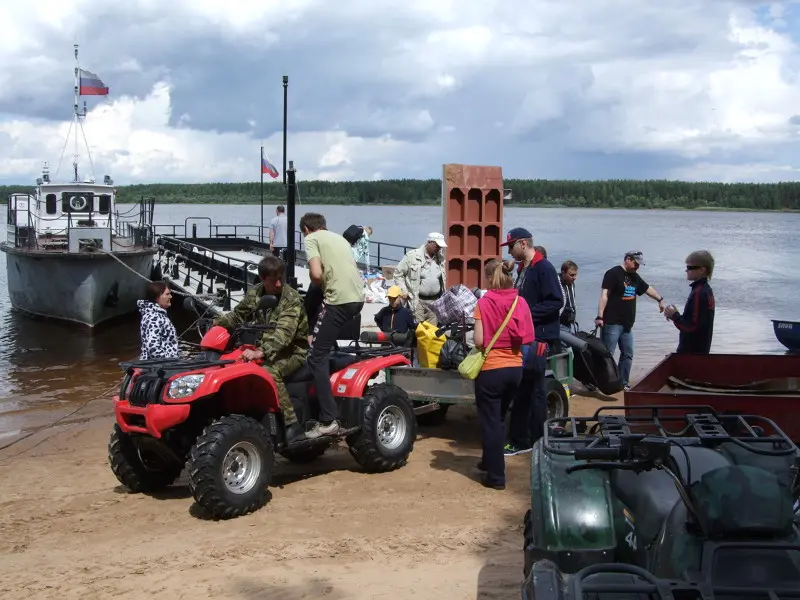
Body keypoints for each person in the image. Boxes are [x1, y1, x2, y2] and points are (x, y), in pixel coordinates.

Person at [213, 255, 308, 443]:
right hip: (267, 348)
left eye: (282, 278)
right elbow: (238, 316)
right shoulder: (256, 293)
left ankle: (292, 425)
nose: (279, 284)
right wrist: (217, 324)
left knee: (269, 371)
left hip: (293, 351)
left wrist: (261, 351)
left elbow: (284, 334)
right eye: (274, 280)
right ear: (263, 279)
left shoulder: (291, 299)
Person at [300, 212, 365, 439]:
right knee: (324, 342)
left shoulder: (311, 239)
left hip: (339, 301)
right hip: (358, 300)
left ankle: (328, 419)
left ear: (307, 229)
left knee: (316, 357)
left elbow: (317, 275)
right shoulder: (338, 238)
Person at [473, 259, 535, 490]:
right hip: (515, 368)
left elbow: (479, 341)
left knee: (491, 422)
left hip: (491, 369)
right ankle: (488, 461)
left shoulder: (484, 302)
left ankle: (496, 476)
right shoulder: (520, 301)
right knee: (498, 418)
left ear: (489, 278)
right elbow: (528, 336)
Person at [501, 227, 563, 456]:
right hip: (526, 336)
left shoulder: (543, 268)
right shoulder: (524, 268)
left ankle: (536, 442)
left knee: (535, 390)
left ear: (523, 244)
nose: (510, 251)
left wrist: (525, 314)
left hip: (540, 338)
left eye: (511, 246)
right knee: (522, 388)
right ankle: (520, 439)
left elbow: (556, 302)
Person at [594, 251, 666, 390]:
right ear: (627, 259)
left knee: (628, 354)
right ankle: (601, 383)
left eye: (639, 264)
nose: (637, 266)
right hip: (611, 323)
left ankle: (622, 383)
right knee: (606, 355)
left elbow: (647, 289)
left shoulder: (634, 277)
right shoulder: (613, 273)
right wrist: (600, 316)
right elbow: (604, 295)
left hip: (627, 325)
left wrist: (660, 299)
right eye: (635, 263)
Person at [665, 250, 716, 354]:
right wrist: (676, 315)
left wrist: (674, 316)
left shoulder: (699, 293)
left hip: (691, 352)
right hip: (701, 350)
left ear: (702, 270)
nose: (686, 270)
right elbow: (696, 320)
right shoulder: (706, 290)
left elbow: (692, 327)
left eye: (689, 268)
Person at [393, 233, 447, 325]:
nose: (439, 248)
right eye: (437, 245)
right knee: (418, 330)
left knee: (432, 332)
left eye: (440, 246)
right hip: (418, 301)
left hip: (435, 302)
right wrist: (404, 291)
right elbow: (398, 274)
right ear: (430, 242)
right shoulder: (412, 256)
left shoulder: (440, 259)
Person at [138, 281, 180, 360]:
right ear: (157, 298)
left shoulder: (155, 314)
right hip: (160, 368)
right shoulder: (154, 317)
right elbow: (152, 347)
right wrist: (169, 361)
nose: (170, 297)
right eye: (167, 294)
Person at [559, 260, 579, 334]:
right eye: (572, 275)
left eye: (575, 275)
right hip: (559, 323)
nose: (574, 278)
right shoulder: (556, 283)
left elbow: (571, 301)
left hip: (568, 323)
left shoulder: (571, 283)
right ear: (563, 273)